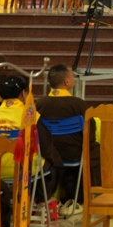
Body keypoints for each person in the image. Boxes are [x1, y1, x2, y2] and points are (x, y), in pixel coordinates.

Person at [36, 64, 98, 208]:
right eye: (73, 76)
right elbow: (90, 133)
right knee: (96, 149)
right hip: (74, 154)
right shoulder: (79, 105)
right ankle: (89, 195)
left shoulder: (38, 104)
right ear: (67, 82)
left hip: (48, 156)